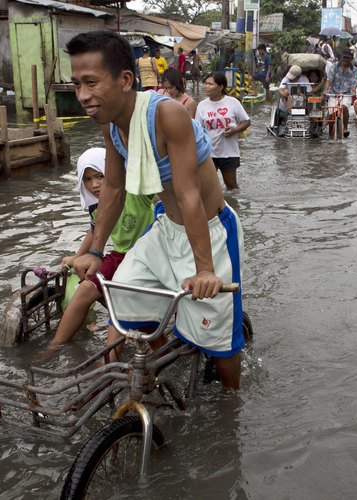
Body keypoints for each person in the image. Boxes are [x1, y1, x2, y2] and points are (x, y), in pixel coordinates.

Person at [66, 31, 245, 389]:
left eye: (91, 82)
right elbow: (114, 188)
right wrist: (97, 251)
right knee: (125, 298)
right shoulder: (112, 126)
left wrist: (205, 270)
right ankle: (154, 373)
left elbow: (188, 194)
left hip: (210, 231)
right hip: (166, 229)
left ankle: (233, 410)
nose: (83, 95)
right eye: (76, 84)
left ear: (125, 80)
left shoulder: (168, 115)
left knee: (220, 345)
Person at [49, 147, 155, 349]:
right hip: (120, 256)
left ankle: (114, 353)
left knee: (124, 302)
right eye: (87, 179)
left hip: (148, 257)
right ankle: (54, 347)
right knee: (85, 290)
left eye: (100, 176)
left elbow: (146, 167)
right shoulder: (95, 206)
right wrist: (77, 256)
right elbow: (95, 231)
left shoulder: (135, 192)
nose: (94, 185)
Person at [197, 72, 251, 190]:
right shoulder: (201, 105)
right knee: (208, 187)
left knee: (231, 185)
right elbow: (198, 130)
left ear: (221, 87)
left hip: (229, 152)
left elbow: (246, 121)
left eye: (210, 84)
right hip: (209, 153)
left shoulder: (233, 102)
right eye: (205, 84)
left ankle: (235, 206)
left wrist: (235, 130)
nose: (206, 87)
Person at [325, 50, 357, 137]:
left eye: (348, 58)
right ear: (341, 57)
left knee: (344, 107)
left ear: (351, 59)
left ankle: (345, 128)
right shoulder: (334, 67)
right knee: (332, 112)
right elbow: (329, 79)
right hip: (333, 93)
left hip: (346, 94)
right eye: (344, 57)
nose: (346, 60)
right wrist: (326, 90)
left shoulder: (354, 70)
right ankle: (330, 132)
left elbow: (353, 83)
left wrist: (353, 92)